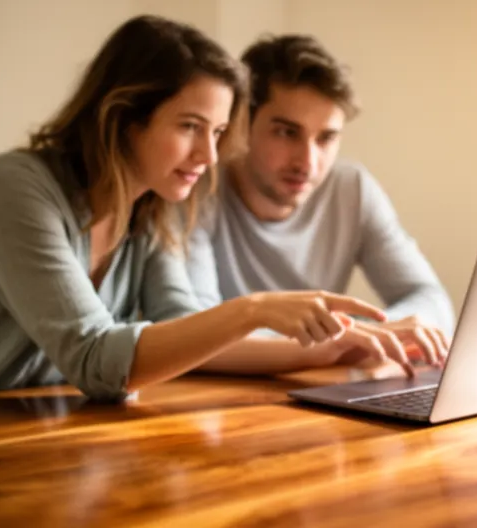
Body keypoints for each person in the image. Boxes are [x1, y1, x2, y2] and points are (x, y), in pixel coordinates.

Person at [0, 16, 389, 407]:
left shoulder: (152, 211)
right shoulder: (13, 190)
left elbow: (189, 332)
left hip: (24, 441)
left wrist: (330, 350)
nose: (208, 158)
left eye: (219, 133)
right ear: (122, 117)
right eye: (189, 127)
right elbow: (95, 360)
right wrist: (254, 308)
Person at [186, 34, 456, 376]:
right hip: (216, 403)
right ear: (241, 124)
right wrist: (349, 338)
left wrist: (379, 334)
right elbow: (194, 330)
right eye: (287, 133)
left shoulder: (352, 189)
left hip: (317, 388)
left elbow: (430, 298)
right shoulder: (197, 188)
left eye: (326, 138)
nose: (308, 162)